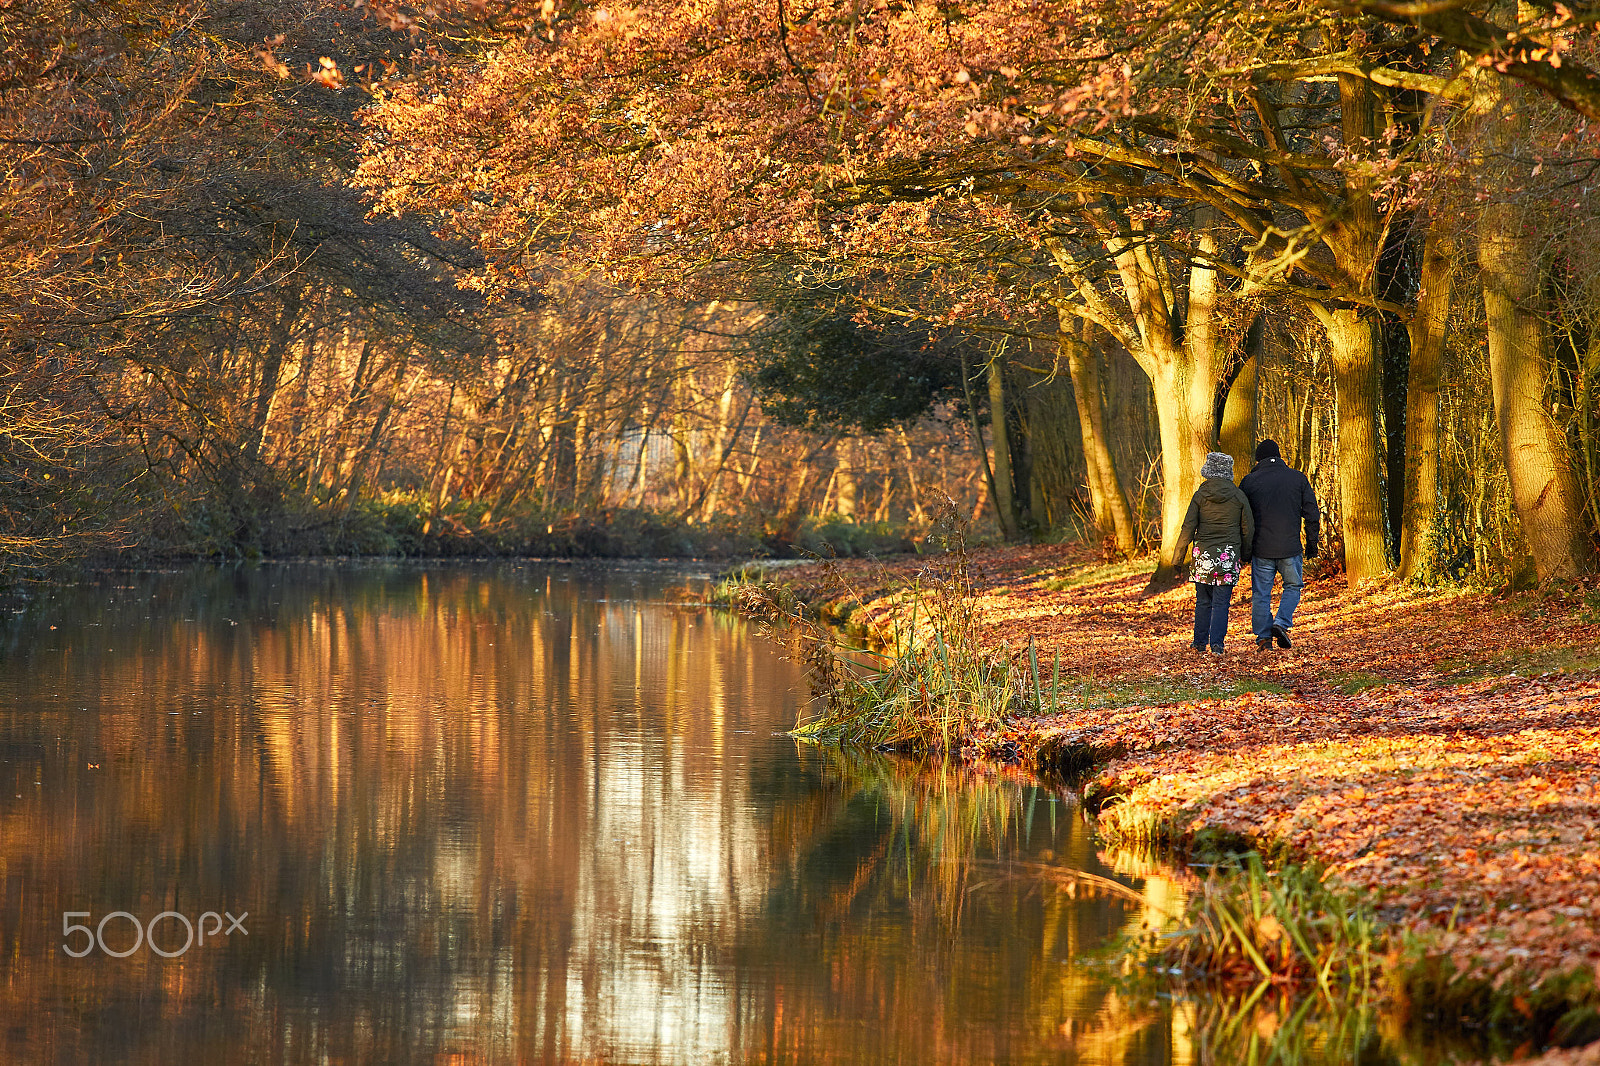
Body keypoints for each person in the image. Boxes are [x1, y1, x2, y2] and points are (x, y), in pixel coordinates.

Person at [1239, 439, 1320, 651]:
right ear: (1279, 457)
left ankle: (1264, 639)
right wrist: (1312, 544)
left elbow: (1241, 518)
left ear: (1258, 459)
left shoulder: (1249, 481)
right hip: (1290, 548)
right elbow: (1312, 513)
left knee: (1261, 594)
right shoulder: (1297, 478)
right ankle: (1281, 623)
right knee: (1293, 586)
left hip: (1261, 549)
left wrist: (1243, 550)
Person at [1173, 451, 1254, 655]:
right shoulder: (1238, 495)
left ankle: (1199, 642)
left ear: (1208, 470)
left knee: (1203, 601)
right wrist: (1245, 554)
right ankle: (1217, 644)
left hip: (1203, 557)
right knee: (1221, 603)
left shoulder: (1201, 495)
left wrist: (1178, 558)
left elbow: (1188, 527)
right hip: (1228, 556)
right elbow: (1248, 528)